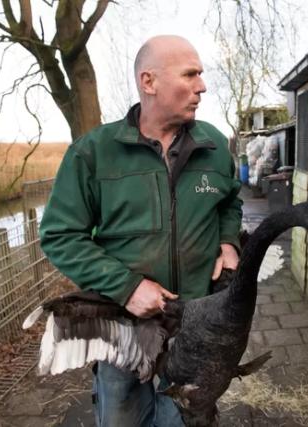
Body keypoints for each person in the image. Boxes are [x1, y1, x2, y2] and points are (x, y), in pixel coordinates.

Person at [39, 35, 243, 426]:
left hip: (196, 328)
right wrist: (127, 287)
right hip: (121, 330)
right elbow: (60, 236)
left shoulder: (214, 145)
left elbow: (230, 201)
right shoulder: (93, 152)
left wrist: (228, 241)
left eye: (201, 74)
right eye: (190, 74)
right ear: (149, 82)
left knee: (182, 420)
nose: (202, 86)